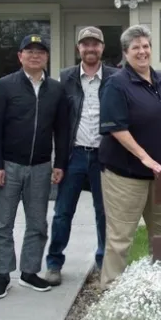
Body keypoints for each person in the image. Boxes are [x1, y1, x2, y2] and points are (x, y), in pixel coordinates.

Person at [0, 34, 68, 298]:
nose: (35, 55)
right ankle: (2, 275)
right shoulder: (5, 86)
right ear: (20, 56)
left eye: (41, 51)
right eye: (29, 51)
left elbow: (62, 131)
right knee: (2, 224)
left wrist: (60, 164)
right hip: (9, 166)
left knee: (37, 224)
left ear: (47, 57)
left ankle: (30, 272)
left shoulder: (56, 89)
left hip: (41, 167)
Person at [98, 25, 161, 289]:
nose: (142, 51)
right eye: (136, 47)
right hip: (126, 176)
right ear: (125, 53)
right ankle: (111, 290)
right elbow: (117, 128)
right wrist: (146, 158)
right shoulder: (116, 84)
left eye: (146, 46)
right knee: (121, 238)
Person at [44, 27, 118, 286]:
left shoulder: (115, 77)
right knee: (63, 212)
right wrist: (59, 161)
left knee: (104, 212)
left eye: (95, 44)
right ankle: (54, 262)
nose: (90, 49)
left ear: (102, 47)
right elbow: (59, 122)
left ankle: (102, 262)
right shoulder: (65, 78)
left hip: (104, 156)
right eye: (85, 44)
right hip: (74, 154)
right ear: (79, 48)